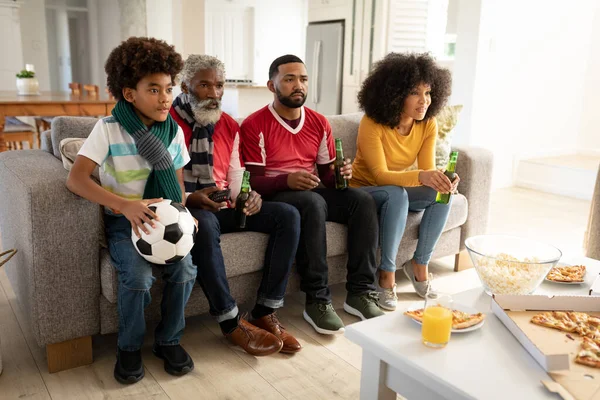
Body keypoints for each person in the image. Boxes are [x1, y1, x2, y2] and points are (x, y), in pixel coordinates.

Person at [66, 37, 196, 384]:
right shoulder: (108, 130)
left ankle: (168, 340)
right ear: (128, 94)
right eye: (153, 90)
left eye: (168, 88)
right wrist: (124, 205)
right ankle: (129, 346)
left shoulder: (174, 133)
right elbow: (76, 180)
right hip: (124, 222)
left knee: (185, 271)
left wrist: (183, 214)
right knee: (137, 278)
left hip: (166, 222)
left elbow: (178, 184)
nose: (165, 97)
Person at [240, 54, 384, 336]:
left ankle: (360, 292)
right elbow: (253, 181)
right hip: (277, 196)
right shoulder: (254, 124)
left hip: (311, 191)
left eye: (303, 79)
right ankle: (318, 300)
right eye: (289, 79)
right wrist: (287, 179)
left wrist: (341, 175)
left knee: (363, 200)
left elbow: (327, 178)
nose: (298, 85)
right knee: (313, 201)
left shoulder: (319, 123)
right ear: (272, 85)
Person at [171, 55, 302, 354]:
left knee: (287, 215)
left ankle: (265, 310)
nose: (214, 93)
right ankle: (231, 322)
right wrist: (192, 198)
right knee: (202, 223)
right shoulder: (168, 121)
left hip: (222, 203)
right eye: (204, 85)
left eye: (219, 86)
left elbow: (235, 172)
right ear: (184, 86)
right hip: (188, 204)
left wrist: (247, 195)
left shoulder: (228, 125)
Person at [350, 52, 457, 309]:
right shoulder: (372, 123)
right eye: (415, 93)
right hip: (365, 192)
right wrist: (423, 176)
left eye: (428, 93)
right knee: (396, 193)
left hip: (396, 190)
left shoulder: (427, 124)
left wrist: (441, 178)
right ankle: (386, 275)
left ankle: (419, 264)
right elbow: (380, 175)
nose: (424, 101)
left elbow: (427, 170)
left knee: (442, 192)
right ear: (395, 94)